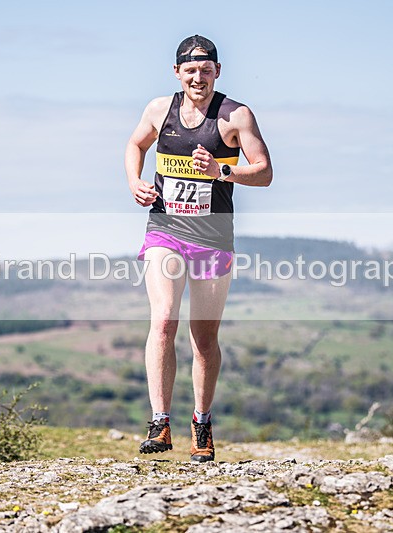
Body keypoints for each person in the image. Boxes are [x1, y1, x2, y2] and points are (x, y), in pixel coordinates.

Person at [125, 35, 272, 462]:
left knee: (203, 337)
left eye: (206, 71)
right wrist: (134, 181)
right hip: (165, 230)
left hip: (212, 238)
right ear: (177, 73)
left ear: (218, 72)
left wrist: (222, 170)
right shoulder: (159, 110)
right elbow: (135, 144)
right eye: (190, 71)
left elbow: (264, 173)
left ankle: (202, 424)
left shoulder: (235, 115)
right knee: (164, 320)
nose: (198, 78)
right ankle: (159, 422)